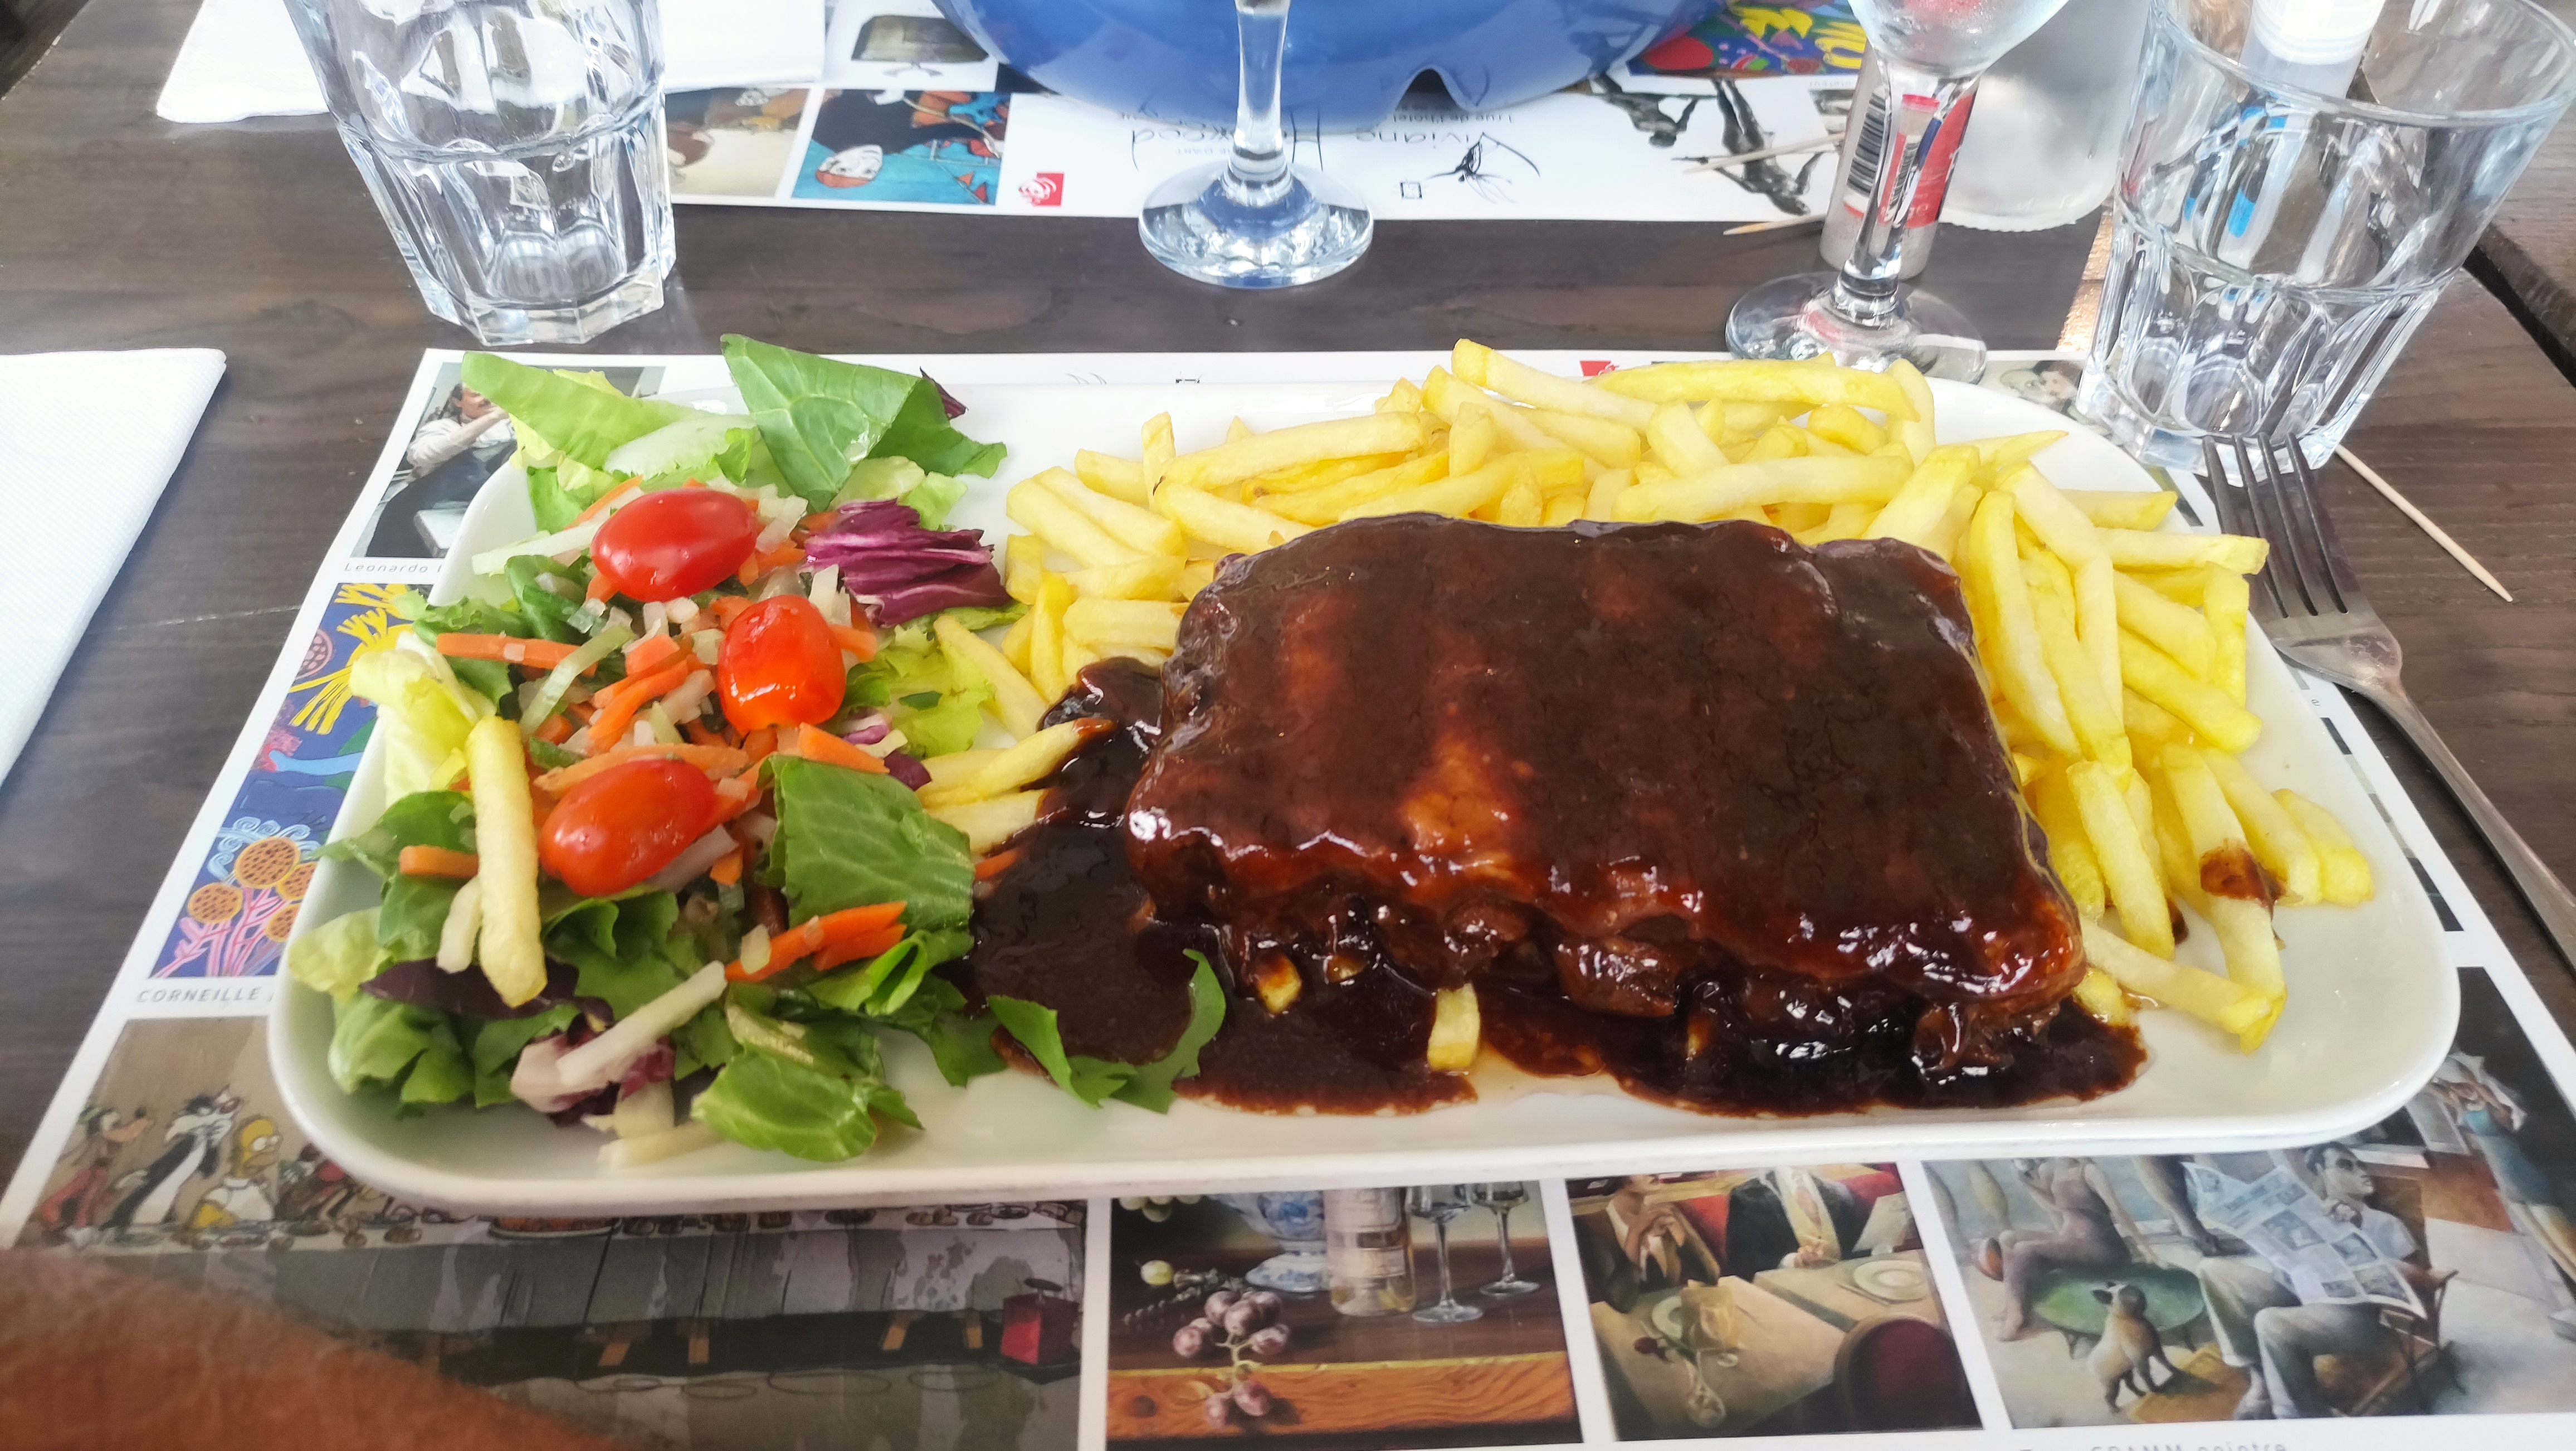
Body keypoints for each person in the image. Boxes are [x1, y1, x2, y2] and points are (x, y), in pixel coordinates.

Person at [2193, 1142, 2415, 1419]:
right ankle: (2260, 1379)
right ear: (2321, 1172)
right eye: (2346, 1166)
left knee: (2269, 1321)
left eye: (2361, 1165)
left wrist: (2361, 1240)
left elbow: (2420, 1281)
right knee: (2213, 1269)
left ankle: (2301, 1416)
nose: (2361, 1172)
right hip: (2302, 1298)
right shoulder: (2312, 1215)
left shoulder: (2385, 1223)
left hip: (2353, 1318)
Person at [1975, 1157, 2141, 1340]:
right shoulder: (2055, 1171)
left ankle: (2017, 1318)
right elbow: (2054, 1207)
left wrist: (2144, 1248)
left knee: (2025, 1250)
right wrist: (2029, 1183)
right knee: (2008, 1238)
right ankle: (2015, 1305)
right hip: (2071, 1238)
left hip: (2100, 1246)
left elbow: (2118, 1210)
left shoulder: (2090, 1171)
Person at [365, 385, 514, 558]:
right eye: (477, 394)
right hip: (414, 512)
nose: (487, 398)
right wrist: (493, 417)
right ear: (457, 401)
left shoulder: (511, 430)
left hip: (466, 514)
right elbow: (421, 456)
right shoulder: (442, 427)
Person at [799, 90, 1004, 206]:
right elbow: (940, 132)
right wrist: (986, 139)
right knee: (968, 100)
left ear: (830, 162)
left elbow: (836, 98)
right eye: (869, 172)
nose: (869, 163)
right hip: (916, 90)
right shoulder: (893, 145)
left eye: (847, 168)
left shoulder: (822, 131)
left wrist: (875, 97)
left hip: (875, 80)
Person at [1721, 1167, 1868, 1276]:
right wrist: (1794, 1261)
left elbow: (1854, 1243)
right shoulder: (1748, 1197)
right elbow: (1742, 1263)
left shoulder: (1835, 1191)